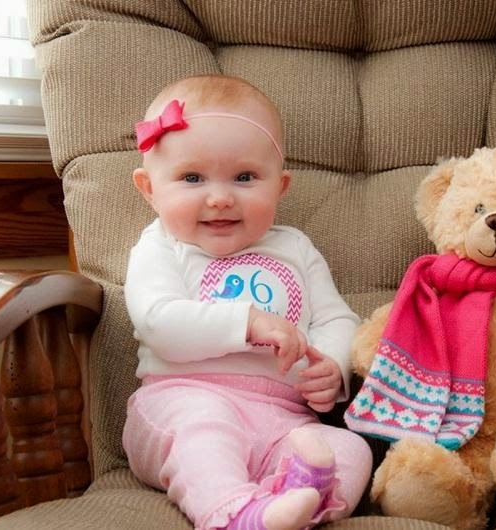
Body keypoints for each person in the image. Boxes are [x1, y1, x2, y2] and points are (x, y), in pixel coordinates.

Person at [122, 74, 372, 530]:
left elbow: (337, 317)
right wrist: (248, 321)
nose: (220, 198)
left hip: (283, 418)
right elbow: (157, 321)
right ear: (149, 189)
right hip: (182, 401)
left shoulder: (295, 247)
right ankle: (233, 513)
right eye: (192, 178)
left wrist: (332, 366)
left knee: (349, 449)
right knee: (205, 430)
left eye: (244, 177)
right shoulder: (159, 245)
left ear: (280, 186)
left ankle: (288, 504)